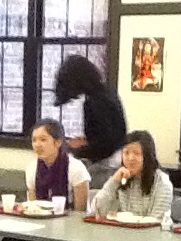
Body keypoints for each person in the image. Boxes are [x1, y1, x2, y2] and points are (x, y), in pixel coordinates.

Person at [1, 119, 91, 241]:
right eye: (34, 140)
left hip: (73, 237)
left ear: (57, 142)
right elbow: (32, 207)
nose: (37, 145)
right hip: (42, 234)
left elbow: (80, 214)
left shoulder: (75, 168)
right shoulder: (32, 168)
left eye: (43, 139)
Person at [86, 131, 172, 241]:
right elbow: (97, 210)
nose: (130, 158)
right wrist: (113, 182)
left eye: (136, 153)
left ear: (147, 156)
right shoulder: (121, 179)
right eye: (126, 153)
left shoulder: (162, 183)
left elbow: (156, 222)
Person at [53, 55, 127, 183]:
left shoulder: (95, 102)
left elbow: (105, 146)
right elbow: (109, 136)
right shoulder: (108, 92)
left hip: (107, 165)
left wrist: (76, 150)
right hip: (116, 159)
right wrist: (86, 143)